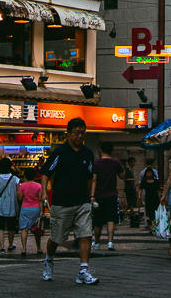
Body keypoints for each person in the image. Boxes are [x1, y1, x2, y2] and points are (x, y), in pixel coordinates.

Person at [39, 117, 98, 285]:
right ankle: (48, 260)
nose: (80, 136)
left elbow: (89, 177)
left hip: (81, 201)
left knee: (86, 234)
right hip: (61, 202)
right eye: (76, 133)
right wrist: (43, 192)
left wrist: (89, 197)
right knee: (57, 237)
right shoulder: (60, 152)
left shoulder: (87, 153)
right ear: (69, 133)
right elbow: (45, 172)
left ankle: (83, 270)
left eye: (82, 133)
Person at [91, 142, 124, 251]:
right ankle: (110, 242)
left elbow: (94, 179)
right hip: (112, 195)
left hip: (99, 195)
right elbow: (122, 176)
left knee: (97, 220)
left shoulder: (96, 163)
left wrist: (92, 195)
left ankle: (96, 242)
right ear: (111, 151)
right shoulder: (116, 162)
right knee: (111, 219)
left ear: (101, 151)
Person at [0, 157, 19, 255]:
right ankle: (10, 245)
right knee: (11, 226)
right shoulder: (15, 179)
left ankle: (2, 247)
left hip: (0, 205)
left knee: (0, 226)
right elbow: (18, 193)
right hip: (12, 204)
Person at [17, 167, 42, 256]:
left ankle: (24, 249)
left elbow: (20, 198)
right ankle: (38, 248)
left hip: (25, 208)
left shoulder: (22, 186)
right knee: (36, 229)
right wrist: (41, 211)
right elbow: (40, 199)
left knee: (24, 230)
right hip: (35, 208)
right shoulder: (39, 186)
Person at [138, 167, 160, 233]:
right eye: (148, 173)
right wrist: (139, 195)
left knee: (153, 212)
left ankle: (153, 227)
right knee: (149, 213)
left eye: (150, 173)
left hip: (155, 198)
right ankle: (152, 225)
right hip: (148, 198)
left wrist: (160, 198)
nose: (149, 174)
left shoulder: (156, 182)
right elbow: (140, 189)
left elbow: (158, 190)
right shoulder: (144, 182)